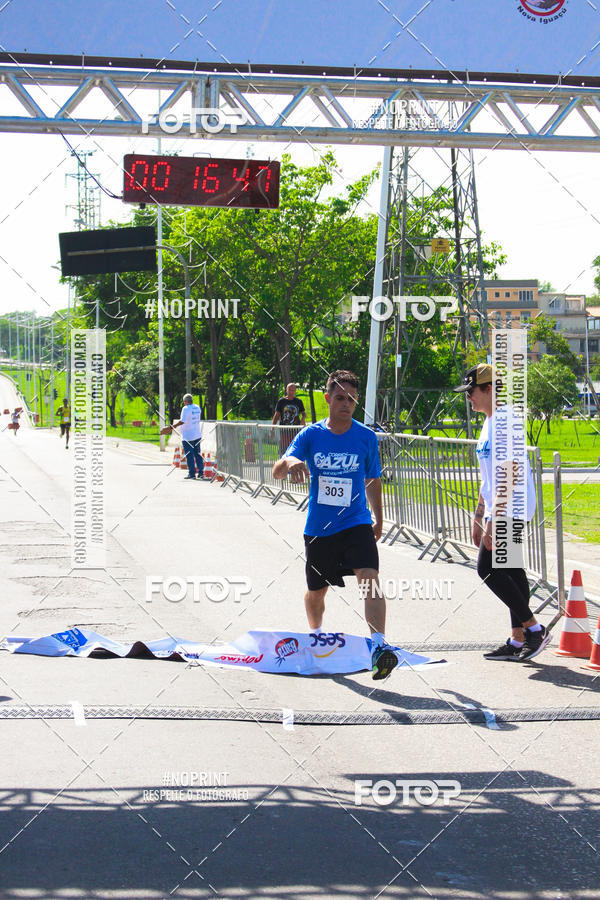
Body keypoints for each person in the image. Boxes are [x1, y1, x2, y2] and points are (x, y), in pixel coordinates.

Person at [272, 369, 398, 681]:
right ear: (328, 399)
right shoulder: (311, 435)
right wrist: (292, 462)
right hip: (320, 528)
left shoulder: (366, 437)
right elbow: (277, 470)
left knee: (369, 577)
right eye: (340, 397)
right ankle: (316, 634)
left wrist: (378, 517)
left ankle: (379, 646)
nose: (346, 403)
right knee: (317, 592)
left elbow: (372, 479)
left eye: (352, 399)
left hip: (356, 522)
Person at [453, 363, 550, 662]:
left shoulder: (505, 420)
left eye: (471, 391)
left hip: (512, 506)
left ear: (489, 389)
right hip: (502, 506)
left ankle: (534, 629)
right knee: (510, 570)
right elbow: (489, 476)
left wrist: (495, 517)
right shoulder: (489, 421)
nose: (468, 397)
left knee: (488, 569)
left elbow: (510, 472)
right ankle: (517, 638)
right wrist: (479, 514)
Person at [173, 393, 204, 480]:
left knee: (189, 455)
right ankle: (201, 473)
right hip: (197, 434)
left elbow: (182, 421)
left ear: (185, 401)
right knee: (198, 454)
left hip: (188, 436)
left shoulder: (185, 409)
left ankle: (192, 473)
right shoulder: (197, 407)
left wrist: (173, 426)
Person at [272, 383, 306, 454]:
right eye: (290, 390)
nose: (291, 392)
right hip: (284, 430)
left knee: (295, 450)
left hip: (296, 430)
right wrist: (272, 429)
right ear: (286, 390)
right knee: (284, 450)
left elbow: (304, 413)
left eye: (293, 390)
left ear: (295, 391)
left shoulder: (298, 401)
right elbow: (276, 415)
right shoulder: (281, 401)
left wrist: (303, 419)